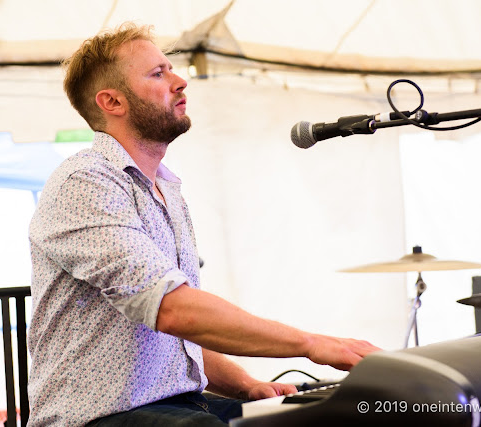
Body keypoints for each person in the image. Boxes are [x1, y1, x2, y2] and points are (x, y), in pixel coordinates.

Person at [27, 22, 381, 427]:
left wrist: (246, 385)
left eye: (172, 69)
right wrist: (311, 344)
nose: (180, 82)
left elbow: (176, 338)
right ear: (112, 101)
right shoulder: (84, 183)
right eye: (158, 74)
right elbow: (175, 311)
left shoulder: (166, 188)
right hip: (96, 418)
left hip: (182, 405)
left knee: (330, 412)